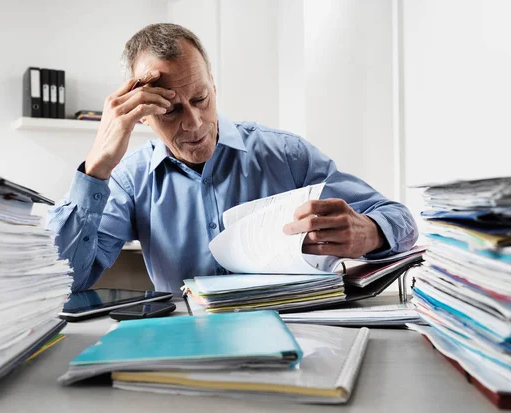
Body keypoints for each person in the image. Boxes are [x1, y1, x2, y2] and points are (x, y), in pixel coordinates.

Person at [48, 23, 418, 293]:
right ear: (142, 114)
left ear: (213, 84)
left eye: (200, 99)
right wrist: (97, 166)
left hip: (297, 338)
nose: (194, 124)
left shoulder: (287, 155)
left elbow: (401, 219)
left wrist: (369, 232)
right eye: (171, 111)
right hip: (188, 351)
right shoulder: (130, 181)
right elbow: (65, 280)